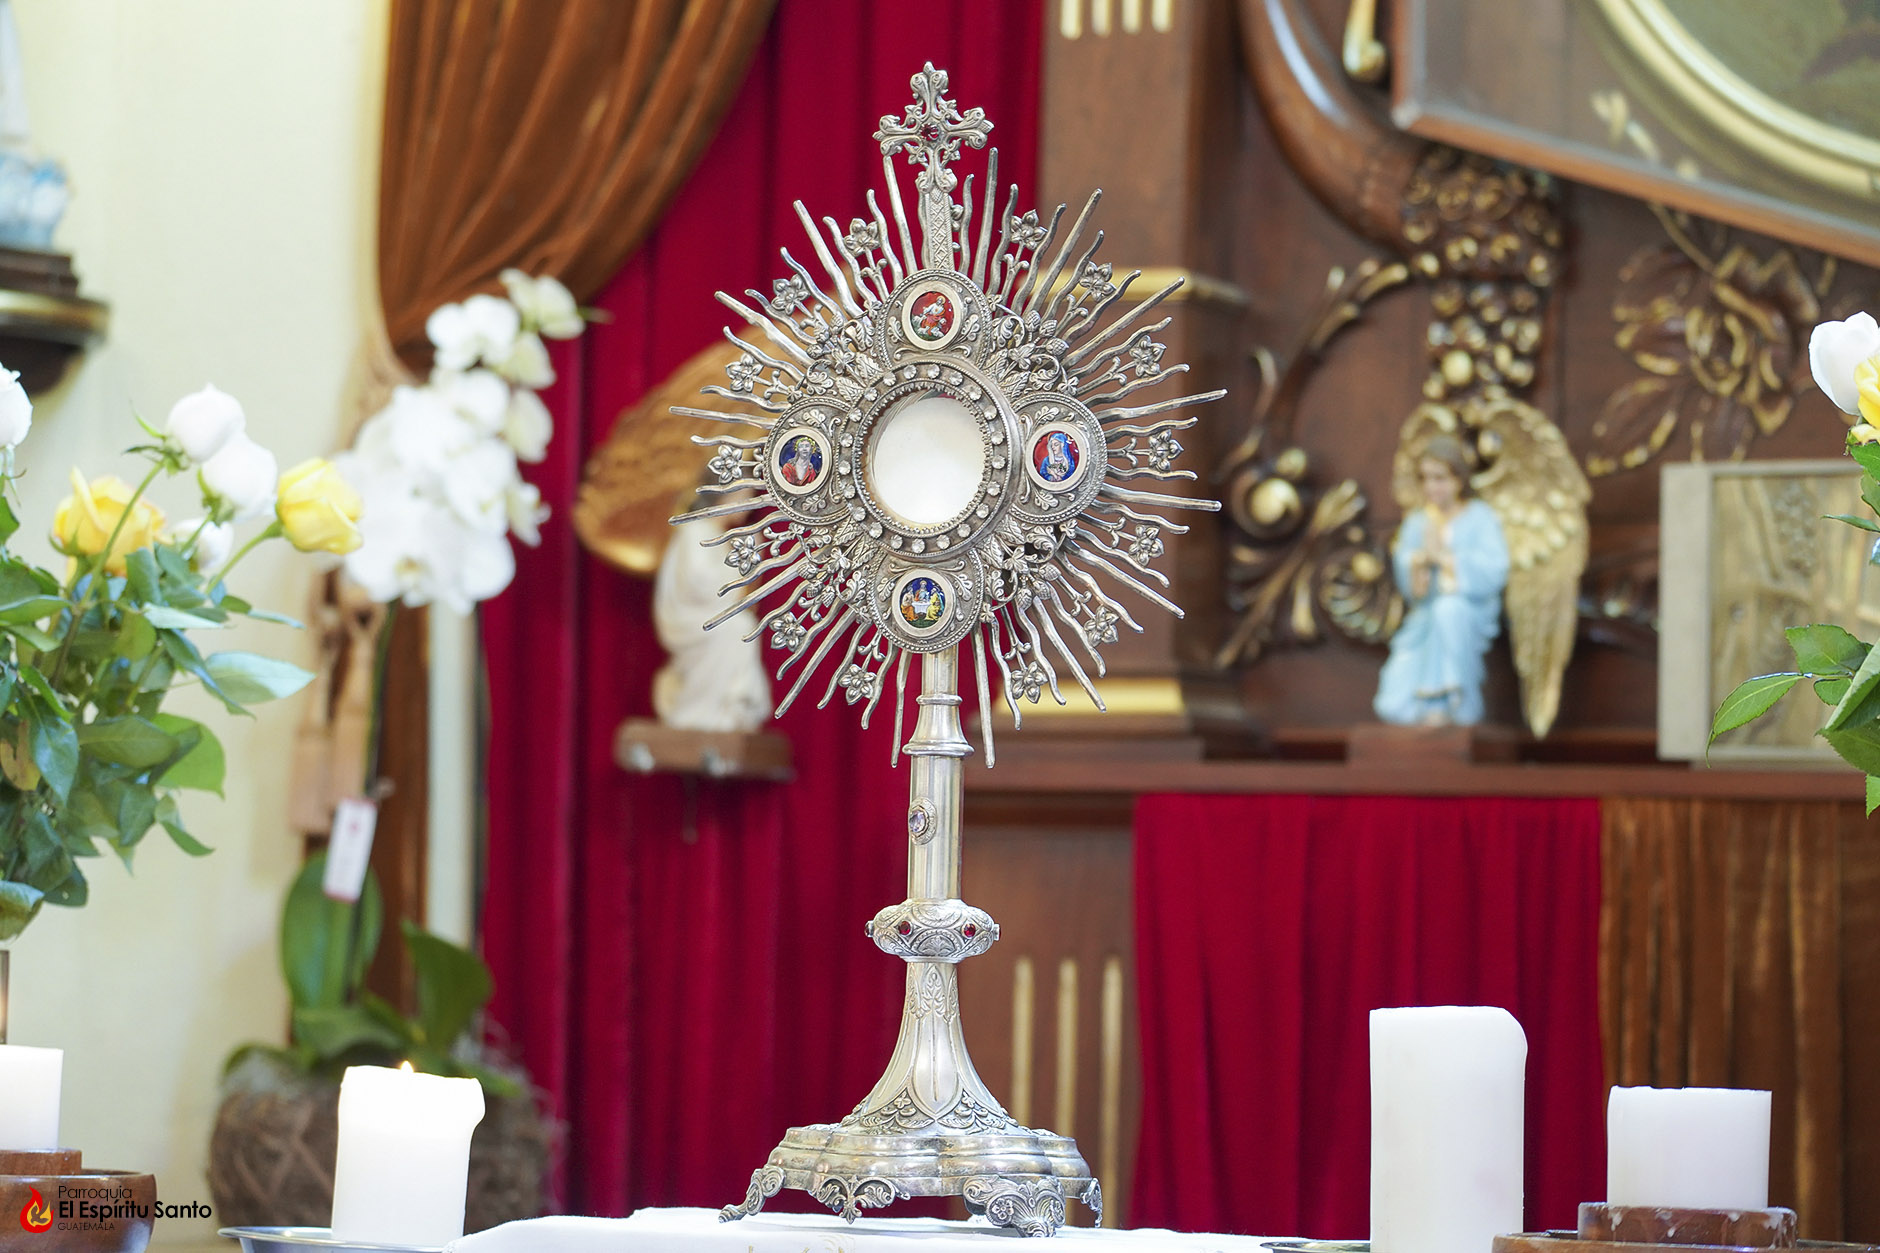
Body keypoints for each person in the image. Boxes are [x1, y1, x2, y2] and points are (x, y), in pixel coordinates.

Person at [1373, 435, 1509, 727]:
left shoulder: (1480, 517)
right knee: (1392, 705)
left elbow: (1494, 570)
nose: (1431, 486)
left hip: (1466, 613)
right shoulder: (1417, 522)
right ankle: (1426, 705)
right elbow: (1410, 585)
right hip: (1424, 616)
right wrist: (1418, 562)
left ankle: (1449, 700)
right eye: (1425, 478)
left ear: (1458, 480)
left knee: (1449, 610)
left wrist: (1446, 559)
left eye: (1440, 478)